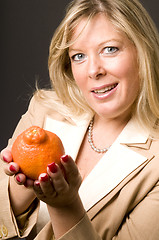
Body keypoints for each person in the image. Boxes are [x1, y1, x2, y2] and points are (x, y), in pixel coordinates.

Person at [1, 0, 159, 239]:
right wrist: (22, 189)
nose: (93, 70)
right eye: (78, 56)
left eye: (110, 49)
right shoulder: (44, 110)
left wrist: (65, 205)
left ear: (143, 51)